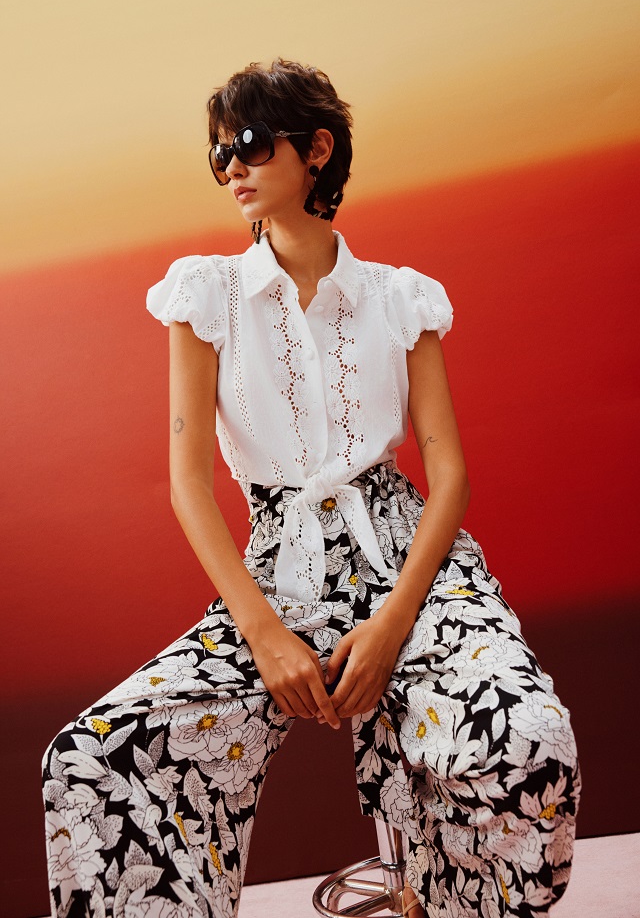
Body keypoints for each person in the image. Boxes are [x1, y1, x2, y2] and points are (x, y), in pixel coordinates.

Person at [42, 58, 581, 918]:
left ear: (317, 149)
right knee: (95, 756)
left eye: (252, 144)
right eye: (219, 154)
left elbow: (449, 475)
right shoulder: (206, 294)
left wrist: (393, 623)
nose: (233, 167)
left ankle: (439, 893)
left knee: (529, 737)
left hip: (410, 562)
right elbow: (188, 483)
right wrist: (264, 634)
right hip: (278, 577)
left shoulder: (401, 298)